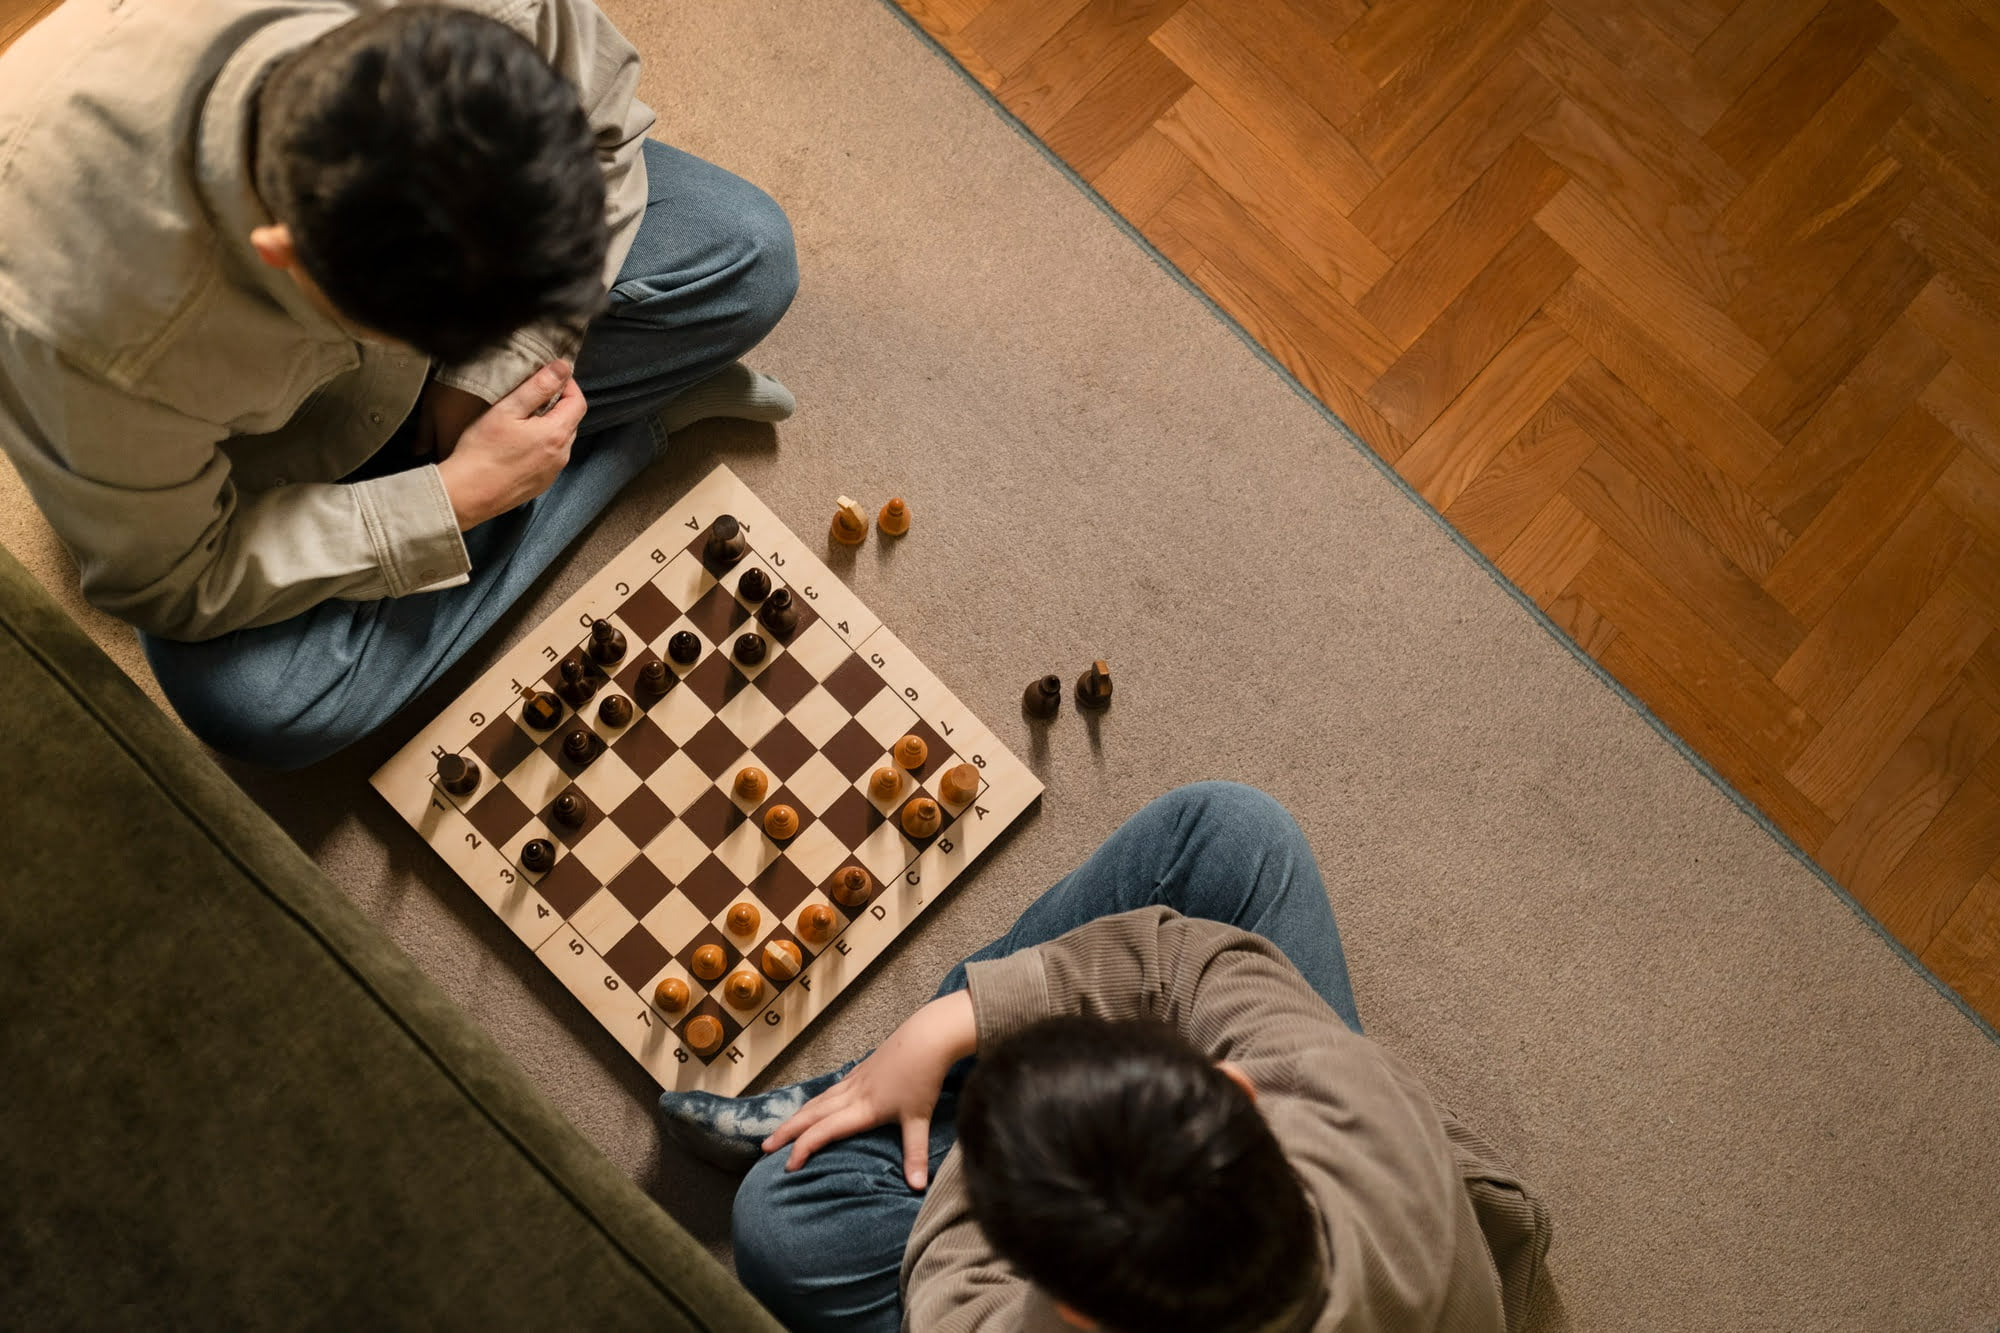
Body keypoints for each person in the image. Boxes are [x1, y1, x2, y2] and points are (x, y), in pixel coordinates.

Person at [0, 0, 797, 769]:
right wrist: (450, 498)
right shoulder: (81, 337)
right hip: (256, 475)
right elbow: (177, 580)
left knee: (751, 257)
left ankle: (520, 460)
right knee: (260, 705)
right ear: (286, 252)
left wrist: (495, 365)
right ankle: (629, 436)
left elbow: (607, 135)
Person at [659, 782, 1553, 1332]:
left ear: (1070, 1303)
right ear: (1234, 1090)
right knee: (1233, 832)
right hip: (1406, 1240)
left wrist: (993, 1054)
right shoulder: (1341, 1094)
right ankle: (884, 1085)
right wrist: (960, 1021)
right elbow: (1184, 961)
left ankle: (867, 1103)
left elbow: (949, 1272)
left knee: (783, 1222)